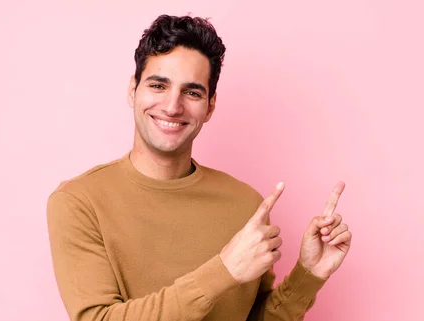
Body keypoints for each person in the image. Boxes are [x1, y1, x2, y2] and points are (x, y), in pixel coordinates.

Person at [46, 14, 352, 321]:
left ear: (210, 106)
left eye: (192, 92)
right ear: (132, 90)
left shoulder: (246, 204)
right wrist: (223, 271)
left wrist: (309, 275)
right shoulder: (79, 202)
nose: (172, 106)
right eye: (158, 85)